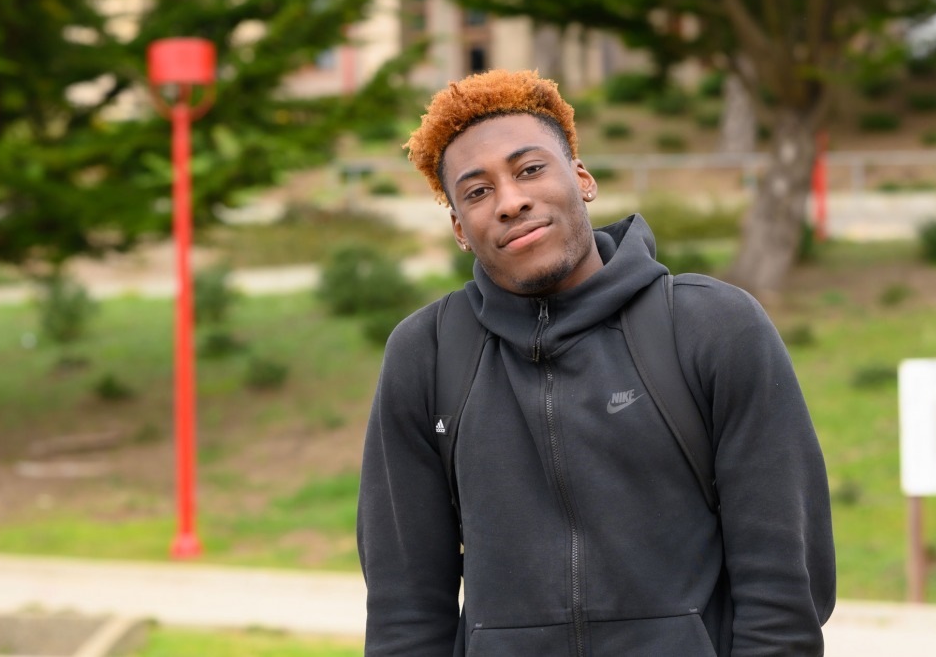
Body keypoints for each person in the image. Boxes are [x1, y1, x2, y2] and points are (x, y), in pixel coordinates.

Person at [356, 69, 835, 656]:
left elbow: (785, 592)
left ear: (582, 180)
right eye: (478, 192)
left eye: (530, 169)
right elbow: (405, 609)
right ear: (459, 227)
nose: (511, 202)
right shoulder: (425, 356)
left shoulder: (713, 327)